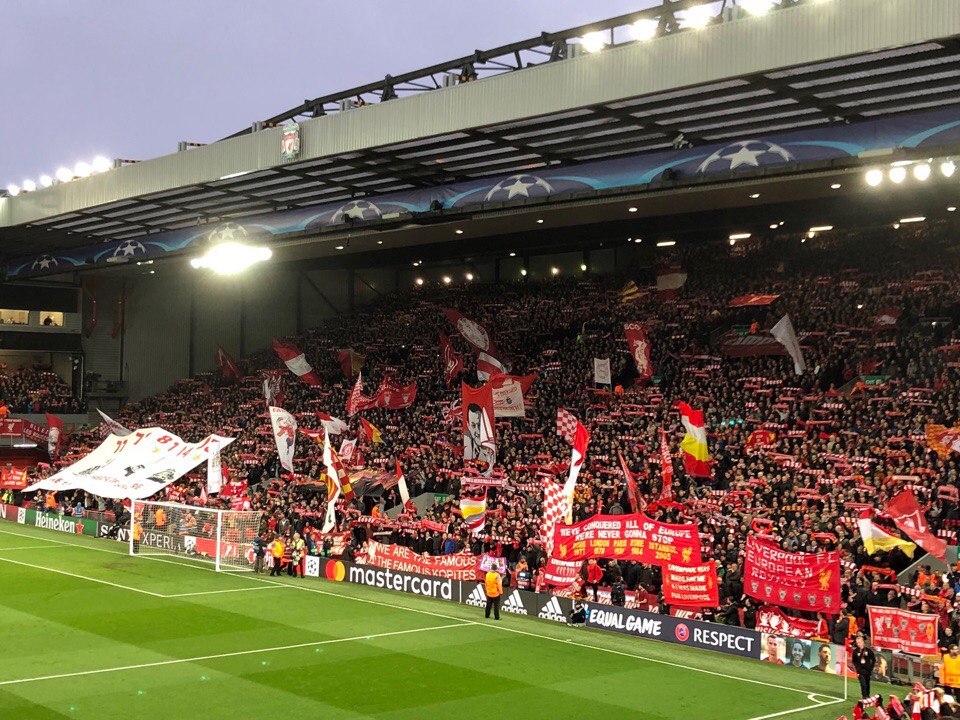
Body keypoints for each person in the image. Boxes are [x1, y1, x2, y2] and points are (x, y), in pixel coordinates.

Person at [851, 634, 877, 699]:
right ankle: (864, 697)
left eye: (859, 642)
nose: (858, 644)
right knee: (863, 684)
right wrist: (857, 669)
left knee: (867, 683)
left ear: (863, 642)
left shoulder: (868, 651)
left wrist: (870, 668)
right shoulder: (855, 651)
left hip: (867, 670)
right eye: (857, 643)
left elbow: (873, 659)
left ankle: (868, 695)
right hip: (860, 671)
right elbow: (854, 661)